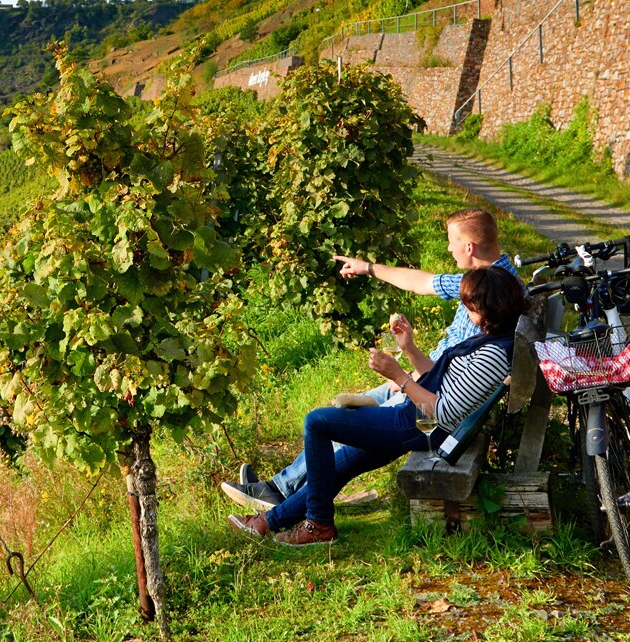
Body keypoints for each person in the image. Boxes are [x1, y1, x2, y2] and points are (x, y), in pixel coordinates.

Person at [220, 208, 520, 512]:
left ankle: (294, 505)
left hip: (434, 402)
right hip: (431, 384)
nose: (448, 248)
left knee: (336, 426)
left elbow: (458, 388)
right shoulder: (484, 281)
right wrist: (368, 269)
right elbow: (423, 282)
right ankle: (282, 491)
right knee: (347, 411)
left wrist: (405, 380)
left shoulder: (489, 292)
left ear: (468, 247)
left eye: (451, 241)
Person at [228, 266, 527, 547]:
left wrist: (398, 376)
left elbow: (444, 412)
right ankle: (269, 522)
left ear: (488, 309)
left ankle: (318, 523)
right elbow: (440, 378)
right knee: (343, 462)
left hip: (422, 427)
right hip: (419, 419)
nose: (465, 308)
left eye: (469, 304)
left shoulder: (493, 355)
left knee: (317, 422)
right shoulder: (490, 339)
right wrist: (409, 348)